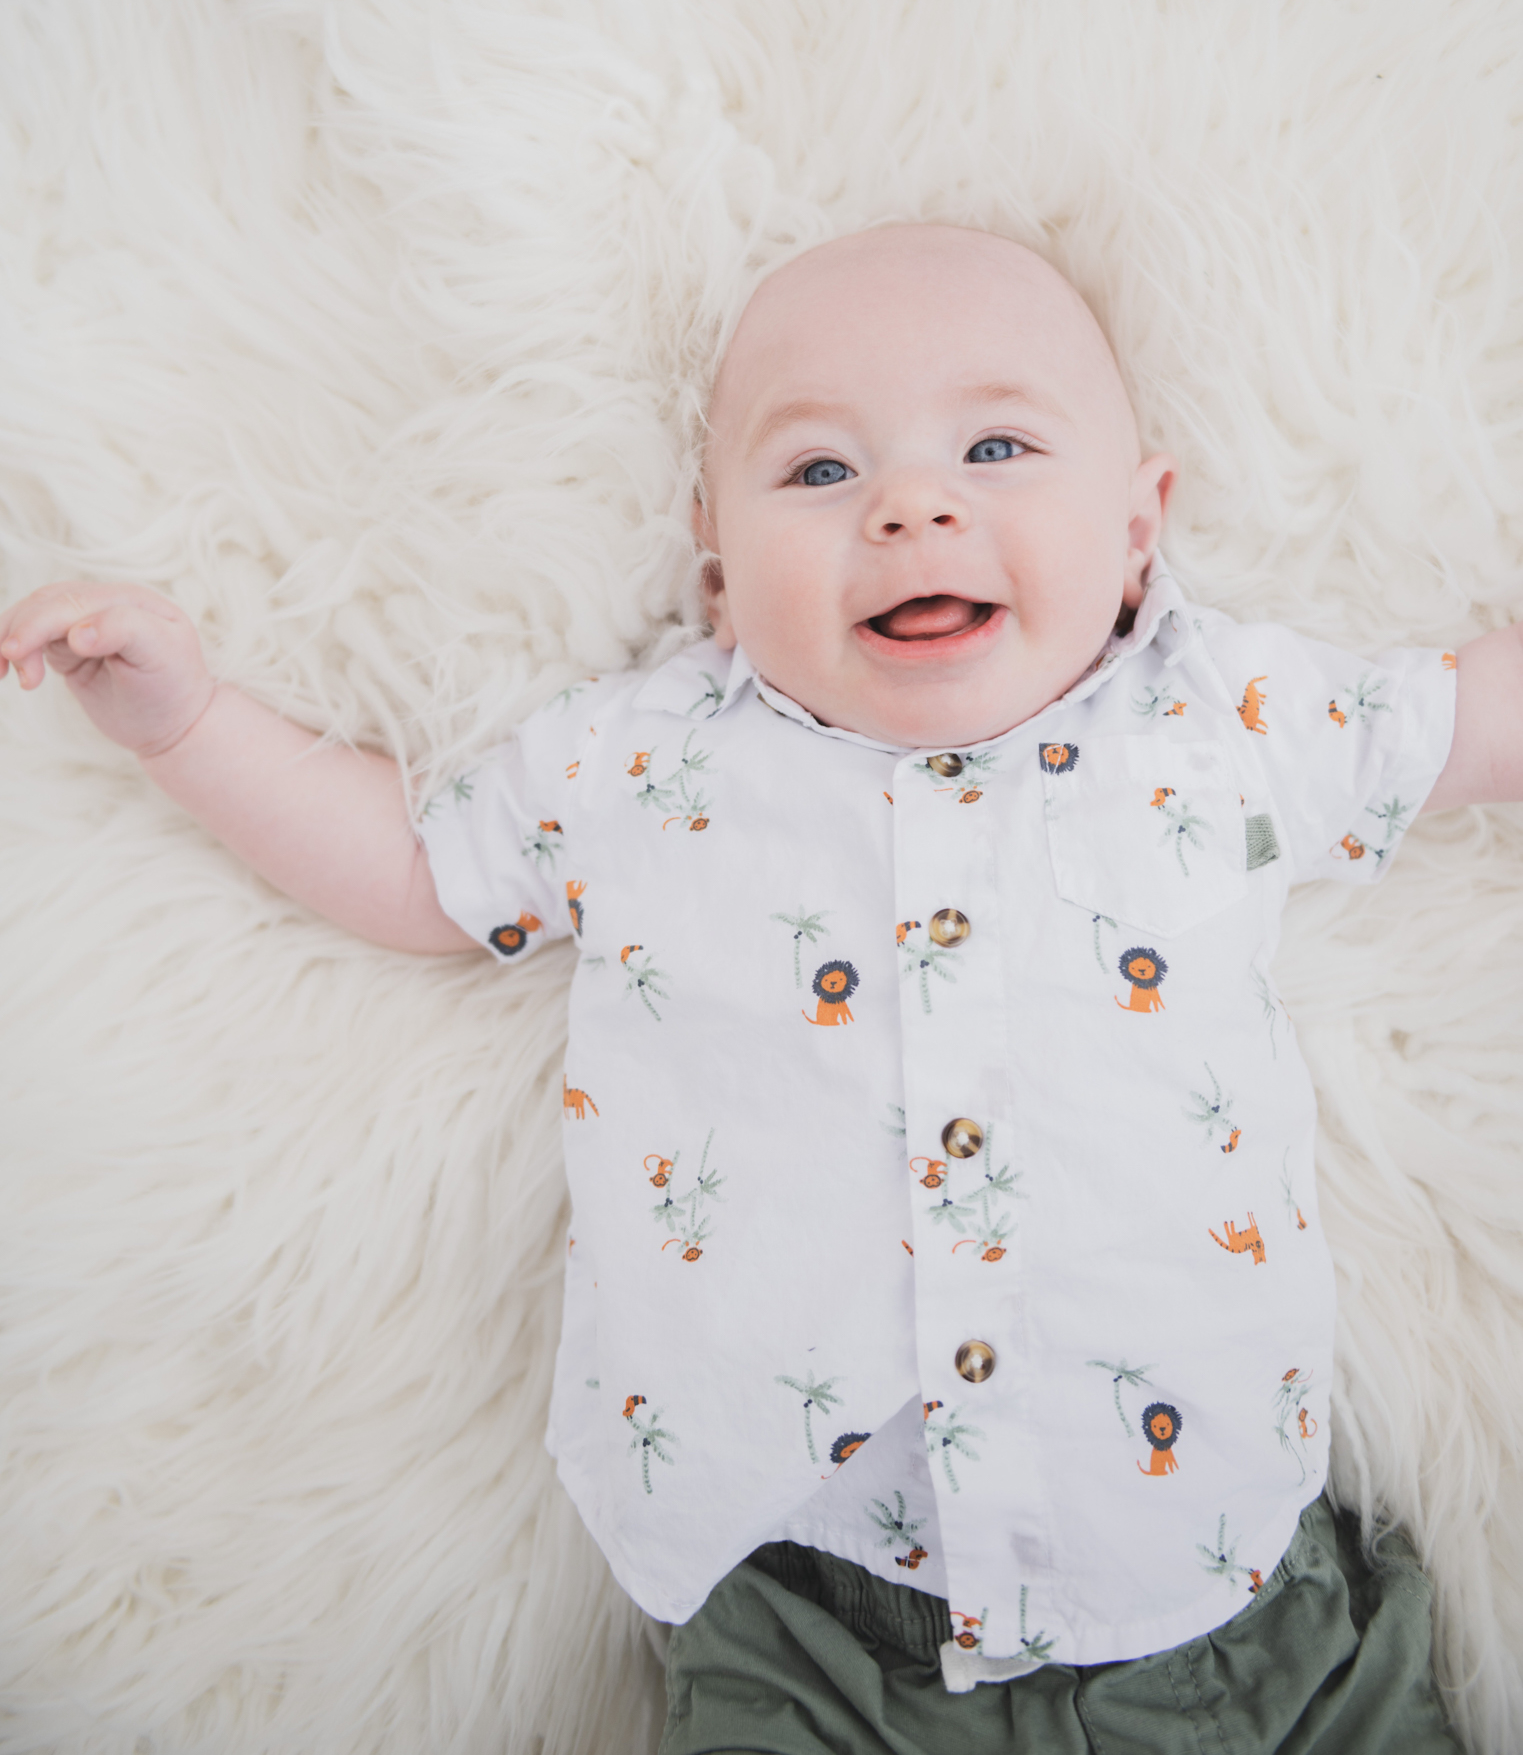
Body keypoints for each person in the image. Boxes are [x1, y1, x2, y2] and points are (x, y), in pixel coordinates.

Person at [4, 225, 1507, 1753]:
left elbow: (1460, 721)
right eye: (820, 471)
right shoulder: (649, 766)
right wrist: (189, 726)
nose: (914, 505)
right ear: (718, 571)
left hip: (1230, 1602)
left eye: (996, 448)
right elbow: (412, 867)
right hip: (812, 1620)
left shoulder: (1222, 716)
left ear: (1138, 530)